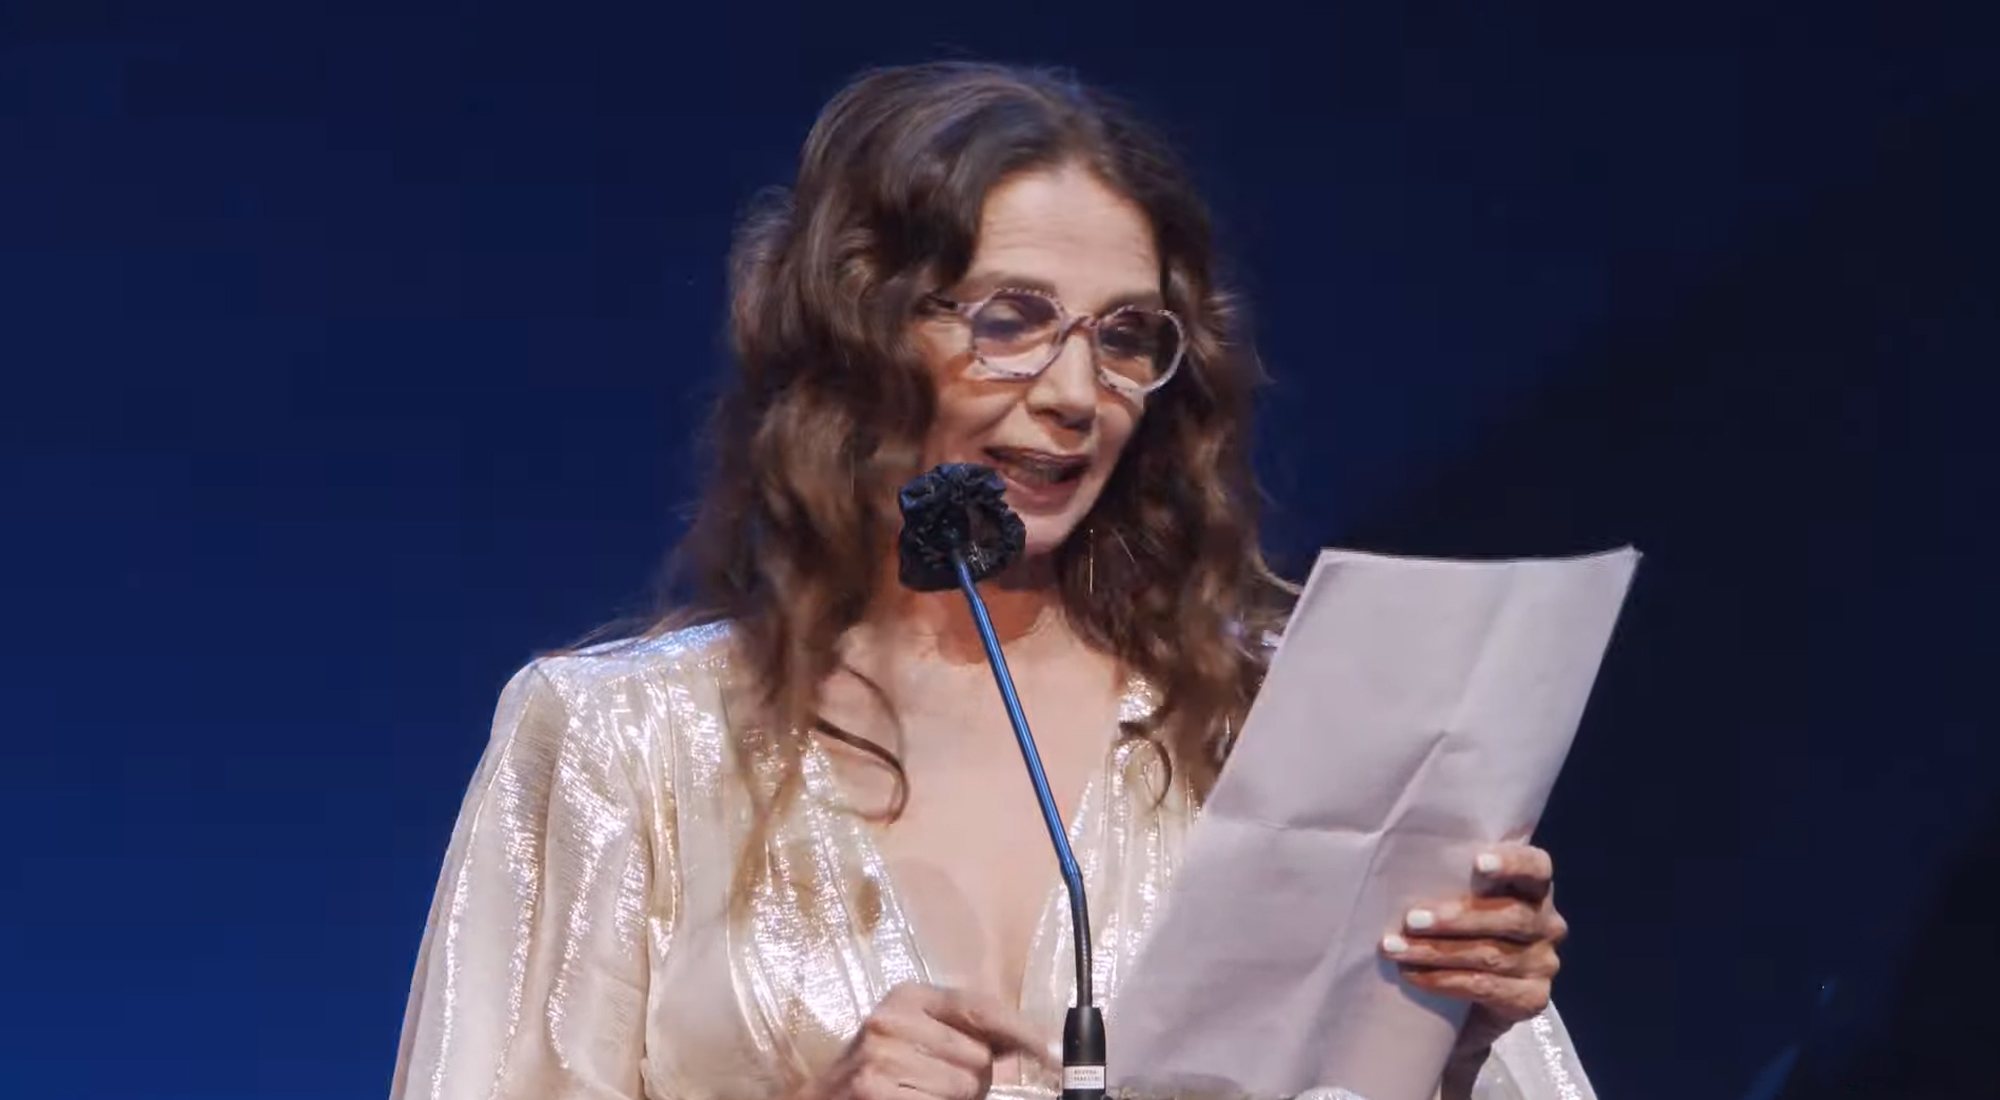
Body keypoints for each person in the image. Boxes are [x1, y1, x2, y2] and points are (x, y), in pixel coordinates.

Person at [390, 62, 1582, 1100]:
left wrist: (1456, 1040)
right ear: (863, 334)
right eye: (1012, 319)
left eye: (1123, 335)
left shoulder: (1283, 724)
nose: (1076, 392)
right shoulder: (622, 744)